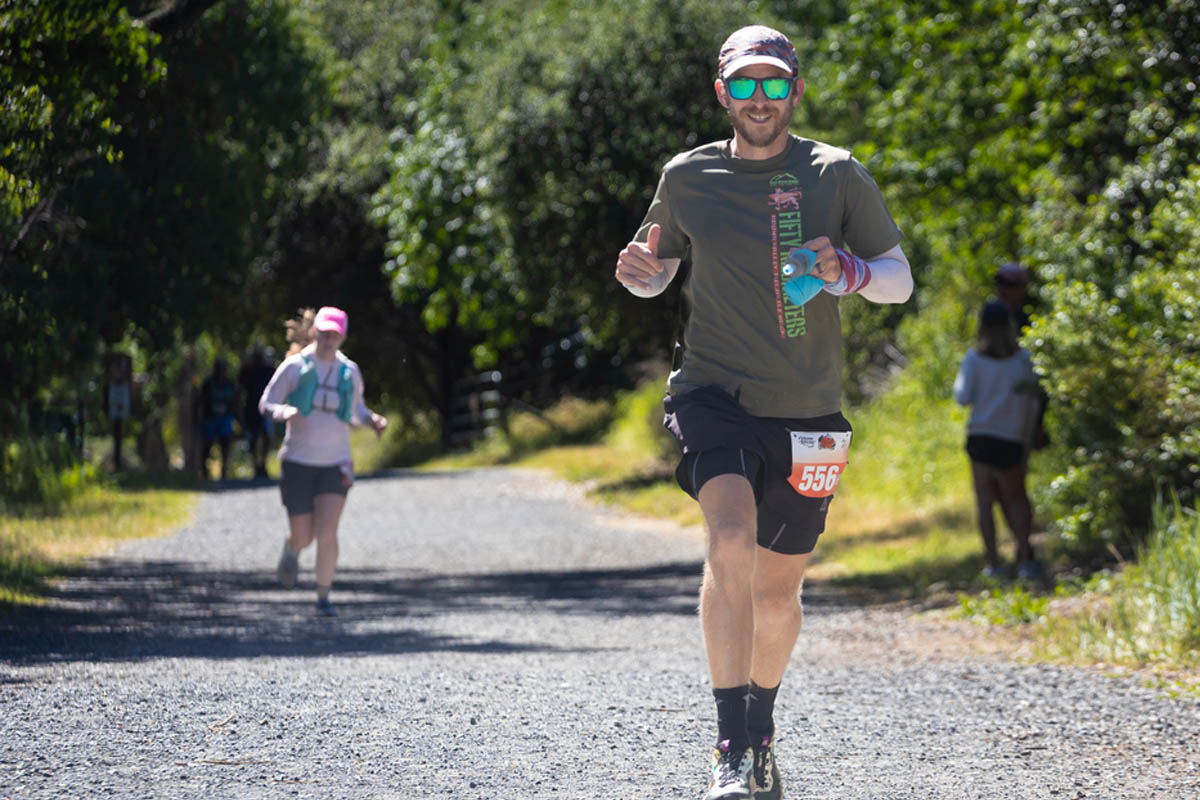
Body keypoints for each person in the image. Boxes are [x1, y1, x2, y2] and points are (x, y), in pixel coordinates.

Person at [614, 25, 913, 800]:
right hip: (711, 394)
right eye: (742, 85)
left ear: (795, 91)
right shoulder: (687, 176)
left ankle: (763, 727)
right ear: (722, 93)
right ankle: (729, 746)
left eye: (772, 84)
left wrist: (847, 270)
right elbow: (659, 271)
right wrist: (640, 275)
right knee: (732, 537)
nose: (757, 99)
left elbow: (898, 280)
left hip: (808, 410)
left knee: (780, 593)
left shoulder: (835, 173)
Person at [258, 306, 387, 617]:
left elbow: (356, 410)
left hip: (336, 463)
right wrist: (283, 412)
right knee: (305, 535)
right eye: (324, 332)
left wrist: (373, 420)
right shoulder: (295, 367)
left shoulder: (350, 371)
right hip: (298, 462)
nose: (329, 339)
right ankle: (292, 548)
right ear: (314, 331)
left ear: (342, 336)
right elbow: (267, 402)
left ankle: (323, 597)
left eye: (335, 334)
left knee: (328, 531)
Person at [953, 300, 1042, 580]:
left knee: (984, 500)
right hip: (1012, 437)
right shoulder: (1024, 360)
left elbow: (962, 397)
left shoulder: (974, 359)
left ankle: (993, 562)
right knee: (1016, 498)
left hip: (981, 434)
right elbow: (1035, 397)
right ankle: (1026, 558)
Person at [238, 344, 276, 478]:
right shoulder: (247, 370)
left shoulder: (268, 369)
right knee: (253, 438)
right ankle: (256, 465)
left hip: (266, 407)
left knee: (266, 436)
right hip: (251, 408)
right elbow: (240, 389)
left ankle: (263, 464)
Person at [199, 358, 236, 480]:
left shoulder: (230, 384)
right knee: (208, 444)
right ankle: (204, 469)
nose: (222, 372)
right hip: (210, 418)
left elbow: (235, 402)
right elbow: (202, 402)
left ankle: (224, 470)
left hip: (225, 418)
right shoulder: (208, 384)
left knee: (225, 443)